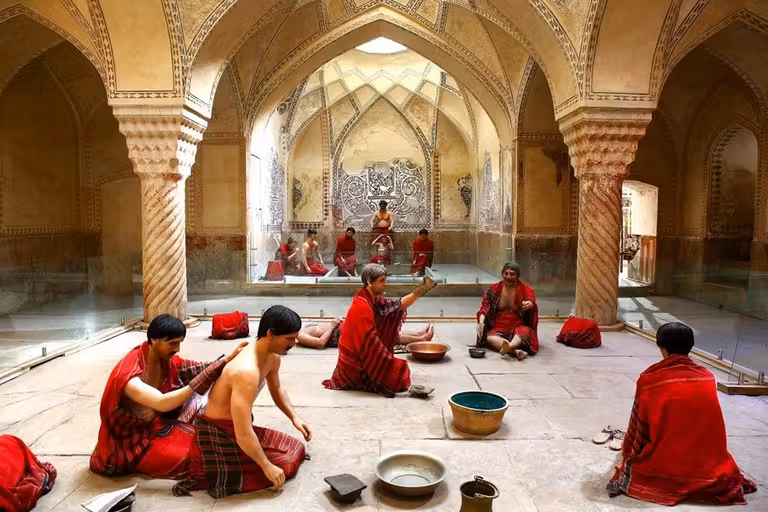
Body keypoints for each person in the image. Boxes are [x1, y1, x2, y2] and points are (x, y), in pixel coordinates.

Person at [607, 322, 757, 506]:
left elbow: (639, 428)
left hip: (669, 465)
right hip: (710, 465)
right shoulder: (707, 376)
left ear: (662, 349)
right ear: (690, 346)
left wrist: (630, 451)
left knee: (642, 460)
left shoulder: (650, 379)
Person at [174, 306, 310, 498]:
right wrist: (267, 467)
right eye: (289, 338)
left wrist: (294, 417)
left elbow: (276, 388)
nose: (294, 343)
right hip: (219, 433)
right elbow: (244, 433)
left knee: (295, 448)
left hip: (238, 428)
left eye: (295, 337)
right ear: (270, 334)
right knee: (284, 465)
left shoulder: (273, 357)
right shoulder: (246, 371)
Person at [90, 314, 246, 478]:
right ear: (154, 339)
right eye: (172, 343)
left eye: (179, 343)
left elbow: (199, 368)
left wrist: (229, 358)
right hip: (128, 446)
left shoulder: (165, 359)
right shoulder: (129, 377)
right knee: (197, 458)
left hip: (155, 427)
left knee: (210, 443)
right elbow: (162, 403)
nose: (177, 349)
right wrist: (198, 383)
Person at [323, 263, 437, 397]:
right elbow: (372, 345)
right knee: (396, 373)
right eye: (382, 280)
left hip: (360, 352)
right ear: (369, 282)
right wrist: (392, 364)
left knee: (391, 370)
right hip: (353, 364)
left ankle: (420, 338)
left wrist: (420, 290)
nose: (386, 284)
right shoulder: (361, 306)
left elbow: (397, 305)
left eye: (385, 280)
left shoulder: (371, 298)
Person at [476, 262, 538, 361]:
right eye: (506, 273)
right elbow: (484, 307)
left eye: (512, 274)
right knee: (489, 338)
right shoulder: (494, 289)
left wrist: (530, 304)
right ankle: (515, 351)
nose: (508, 277)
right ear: (502, 274)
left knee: (524, 332)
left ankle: (510, 346)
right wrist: (481, 322)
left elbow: (531, 300)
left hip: (517, 325)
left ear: (517, 275)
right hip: (499, 325)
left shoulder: (525, 289)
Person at [298, 317, 434, 349]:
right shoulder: (300, 335)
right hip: (343, 335)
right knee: (382, 336)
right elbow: (320, 343)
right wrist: (332, 326)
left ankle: (418, 334)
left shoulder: (304, 327)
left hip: (343, 328)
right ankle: (420, 339)